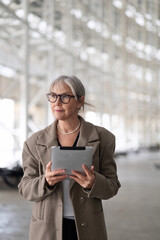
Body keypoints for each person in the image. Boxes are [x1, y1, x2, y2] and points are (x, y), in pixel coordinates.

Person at [18, 75, 121, 240]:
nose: (56, 102)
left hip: (88, 226)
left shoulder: (104, 139)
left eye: (64, 97)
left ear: (80, 101)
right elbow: (25, 188)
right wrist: (46, 181)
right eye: (52, 96)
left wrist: (93, 183)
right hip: (47, 227)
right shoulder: (34, 142)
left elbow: (112, 186)